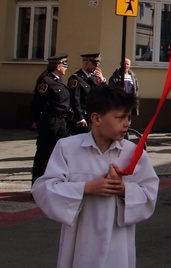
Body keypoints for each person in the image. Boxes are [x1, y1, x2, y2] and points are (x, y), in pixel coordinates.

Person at [31, 84, 159, 267]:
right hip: (79, 241)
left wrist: (123, 189)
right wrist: (88, 188)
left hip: (118, 242)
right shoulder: (67, 148)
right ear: (96, 118)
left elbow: (149, 193)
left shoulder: (133, 154)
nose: (127, 124)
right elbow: (44, 189)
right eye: (120, 117)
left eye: (128, 117)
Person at [30, 53, 80, 184]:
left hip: (62, 121)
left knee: (60, 152)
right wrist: (36, 120)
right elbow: (37, 103)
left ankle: (55, 182)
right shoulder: (46, 81)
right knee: (45, 153)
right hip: (50, 121)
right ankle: (37, 184)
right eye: (65, 65)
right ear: (58, 66)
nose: (66, 68)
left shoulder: (58, 81)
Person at [68, 53, 107, 134]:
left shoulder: (94, 78)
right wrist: (80, 118)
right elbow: (75, 100)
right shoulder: (76, 78)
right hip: (83, 116)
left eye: (97, 64)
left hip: (94, 115)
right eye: (94, 64)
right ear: (86, 63)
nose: (96, 67)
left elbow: (103, 95)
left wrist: (102, 81)